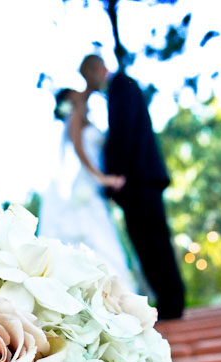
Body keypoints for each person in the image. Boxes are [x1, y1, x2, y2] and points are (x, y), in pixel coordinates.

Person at [79, 54, 185, 320]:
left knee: (152, 241)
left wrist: (117, 178)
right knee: (149, 242)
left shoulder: (121, 86)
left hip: (139, 181)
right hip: (140, 180)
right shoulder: (121, 87)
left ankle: (172, 301)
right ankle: (169, 298)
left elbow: (124, 133)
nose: (88, 84)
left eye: (87, 77)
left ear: (95, 70)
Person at [38, 88, 135, 289]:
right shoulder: (74, 119)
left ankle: (114, 290)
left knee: (103, 236)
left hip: (93, 187)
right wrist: (103, 178)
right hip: (87, 185)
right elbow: (80, 152)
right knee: (95, 235)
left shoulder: (86, 122)